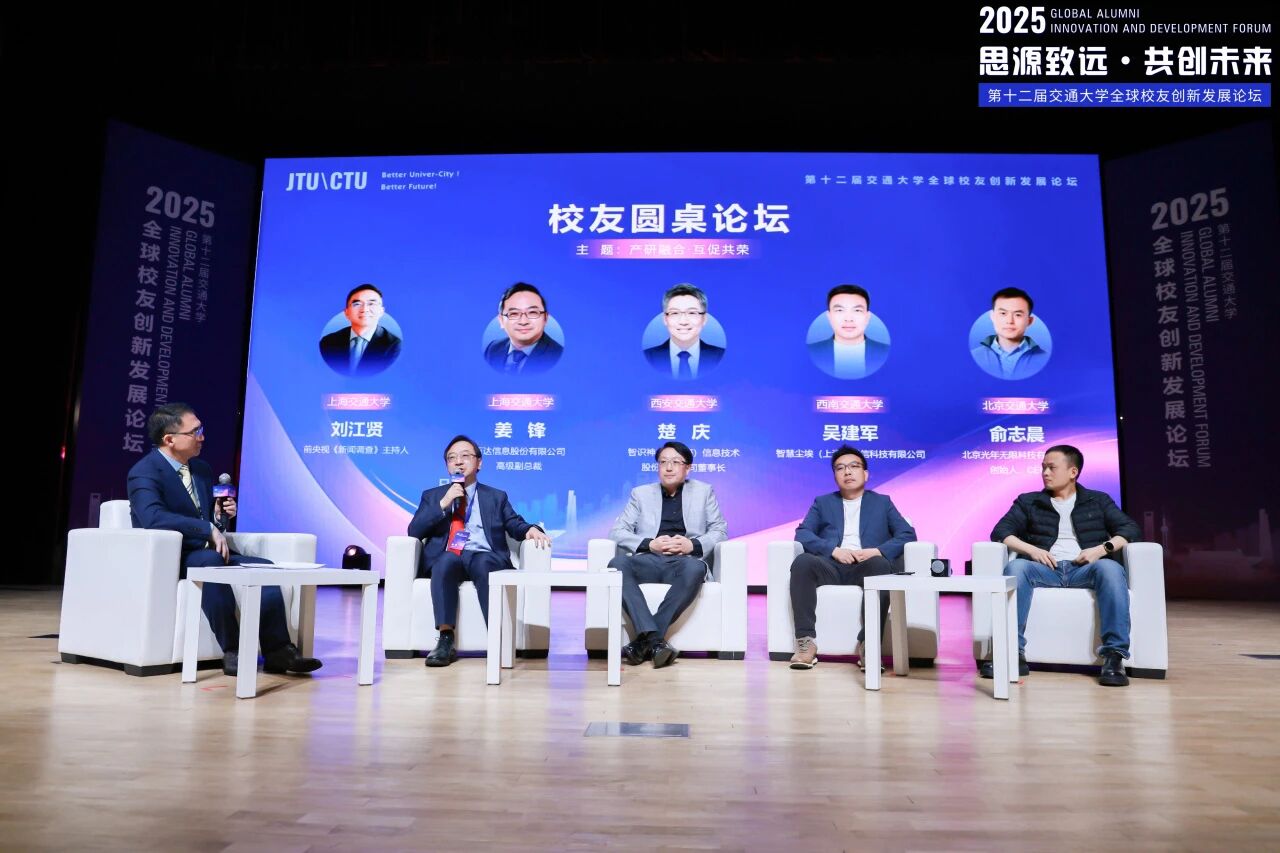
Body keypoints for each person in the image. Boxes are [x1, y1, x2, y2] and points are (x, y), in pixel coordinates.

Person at [126, 403, 322, 677]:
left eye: (201, 429)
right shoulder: (145, 471)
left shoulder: (201, 469)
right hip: (175, 556)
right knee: (210, 561)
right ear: (169, 439)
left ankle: (279, 651)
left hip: (212, 552)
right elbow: (152, 518)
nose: (202, 437)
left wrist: (220, 517)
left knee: (264, 567)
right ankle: (233, 650)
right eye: (195, 432)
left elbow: (211, 522)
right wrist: (206, 528)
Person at [987, 444, 1141, 687]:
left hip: (1085, 569)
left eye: (1051, 468)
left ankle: (1114, 656)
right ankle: (1011, 653)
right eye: (1043, 468)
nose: (1045, 473)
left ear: (1073, 472)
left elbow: (1130, 529)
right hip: (1046, 569)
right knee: (1016, 569)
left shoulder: (1097, 500)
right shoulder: (1030, 501)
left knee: (1111, 569)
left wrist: (1101, 550)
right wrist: (1032, 550)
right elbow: (1001, 531)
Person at [407, 435, 551, 667]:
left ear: (479, 463)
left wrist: (530, 529)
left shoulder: (496, 496)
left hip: (484, 555)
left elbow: (514, 523)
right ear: (447, 465)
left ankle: (498, 637)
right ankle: (445, 639)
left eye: (465, 456)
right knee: (444, 562)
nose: (458, 462)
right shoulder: (432, 496)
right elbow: (414, 531)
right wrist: (443, 503)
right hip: (451, 555)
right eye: (452, 458)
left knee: (483, 564)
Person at [787, 445, 916, 671]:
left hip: (867, 565)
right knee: (802, 562)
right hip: (831, 565)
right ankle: (805, 642)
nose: (847, 472)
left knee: (881, 566)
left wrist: (877, 551)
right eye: (840, 468)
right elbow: (803, 533)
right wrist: (833, 550)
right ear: (835, 476)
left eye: (854, 466)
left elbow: (907, 534)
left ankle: (869, 644)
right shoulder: (822, 503)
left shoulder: (882, 502)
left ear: (865, 474)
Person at [607, 441, 727, 667]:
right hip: (649, 560)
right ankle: (655, 642)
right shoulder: (641, 494)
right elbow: (617, 532)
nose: (668, 467)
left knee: (695, 568)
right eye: (663, 462)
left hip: (684, 562)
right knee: (617, 564)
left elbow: (719, 531)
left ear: (687, 468)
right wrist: (649, 544)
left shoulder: (704, 492)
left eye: (675, 462)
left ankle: (643, 642)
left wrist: (692, 545)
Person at [318, 284, 403, 376]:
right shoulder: (328, 342)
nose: (364, 309)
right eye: (357, 304)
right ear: (346, 312)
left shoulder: (394, 345)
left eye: (371, 304)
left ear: (381, 311)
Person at [808, 284, 890, 379]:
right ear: (829, 317)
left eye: (857, 310)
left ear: (868, 317)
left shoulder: (884, 351)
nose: (848, 319)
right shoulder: (814, 351)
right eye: (839, 310)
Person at [643, 284, 724, 379]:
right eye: (675, 313)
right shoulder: (648, 357)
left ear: (704, 319)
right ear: (665, 319)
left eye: (692, 313)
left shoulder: (720, 357)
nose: (683, 322)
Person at [970, 286, 1050, 380]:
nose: (1010, 321)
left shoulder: (1044, 358)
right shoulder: (974, 356)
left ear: (1029, 321)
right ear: (992, 317)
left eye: (1018, 315)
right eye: (1003, 313)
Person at [483, 282, 563, 375]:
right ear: (501, 321)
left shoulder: (557, 355)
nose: (523, 321)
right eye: (514, 313)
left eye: (532, 312)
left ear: (545, 318)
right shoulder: (492, 349)